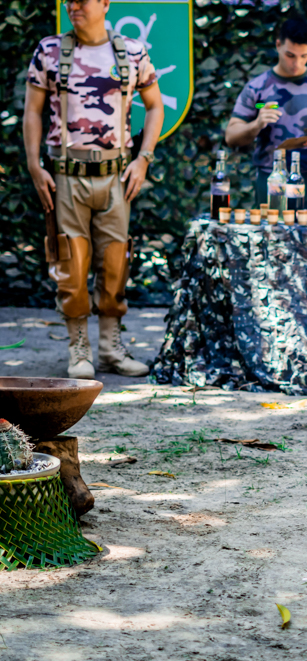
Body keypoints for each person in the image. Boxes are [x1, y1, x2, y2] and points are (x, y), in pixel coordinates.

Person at [23, 0, 164, 379]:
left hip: (117, 177)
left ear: (104, 3)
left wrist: (143, 159)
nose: (73, 6)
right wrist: (35, 164)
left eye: (82, 0)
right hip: (66, 176)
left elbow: (154, 106)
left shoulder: (132, 52)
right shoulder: (50, 51)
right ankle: (79, 349)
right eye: (68, 0)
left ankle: (110, 349)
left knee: (116, 262)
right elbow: (33, 110)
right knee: (71, 263)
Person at [225, 16, 307, 211]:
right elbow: (231, 136)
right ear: (278, 45)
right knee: (270, 238)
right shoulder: (257, 88)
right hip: (270, 178)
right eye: (290, 55)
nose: (296, 64)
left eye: (304, 56)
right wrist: (256, 124)